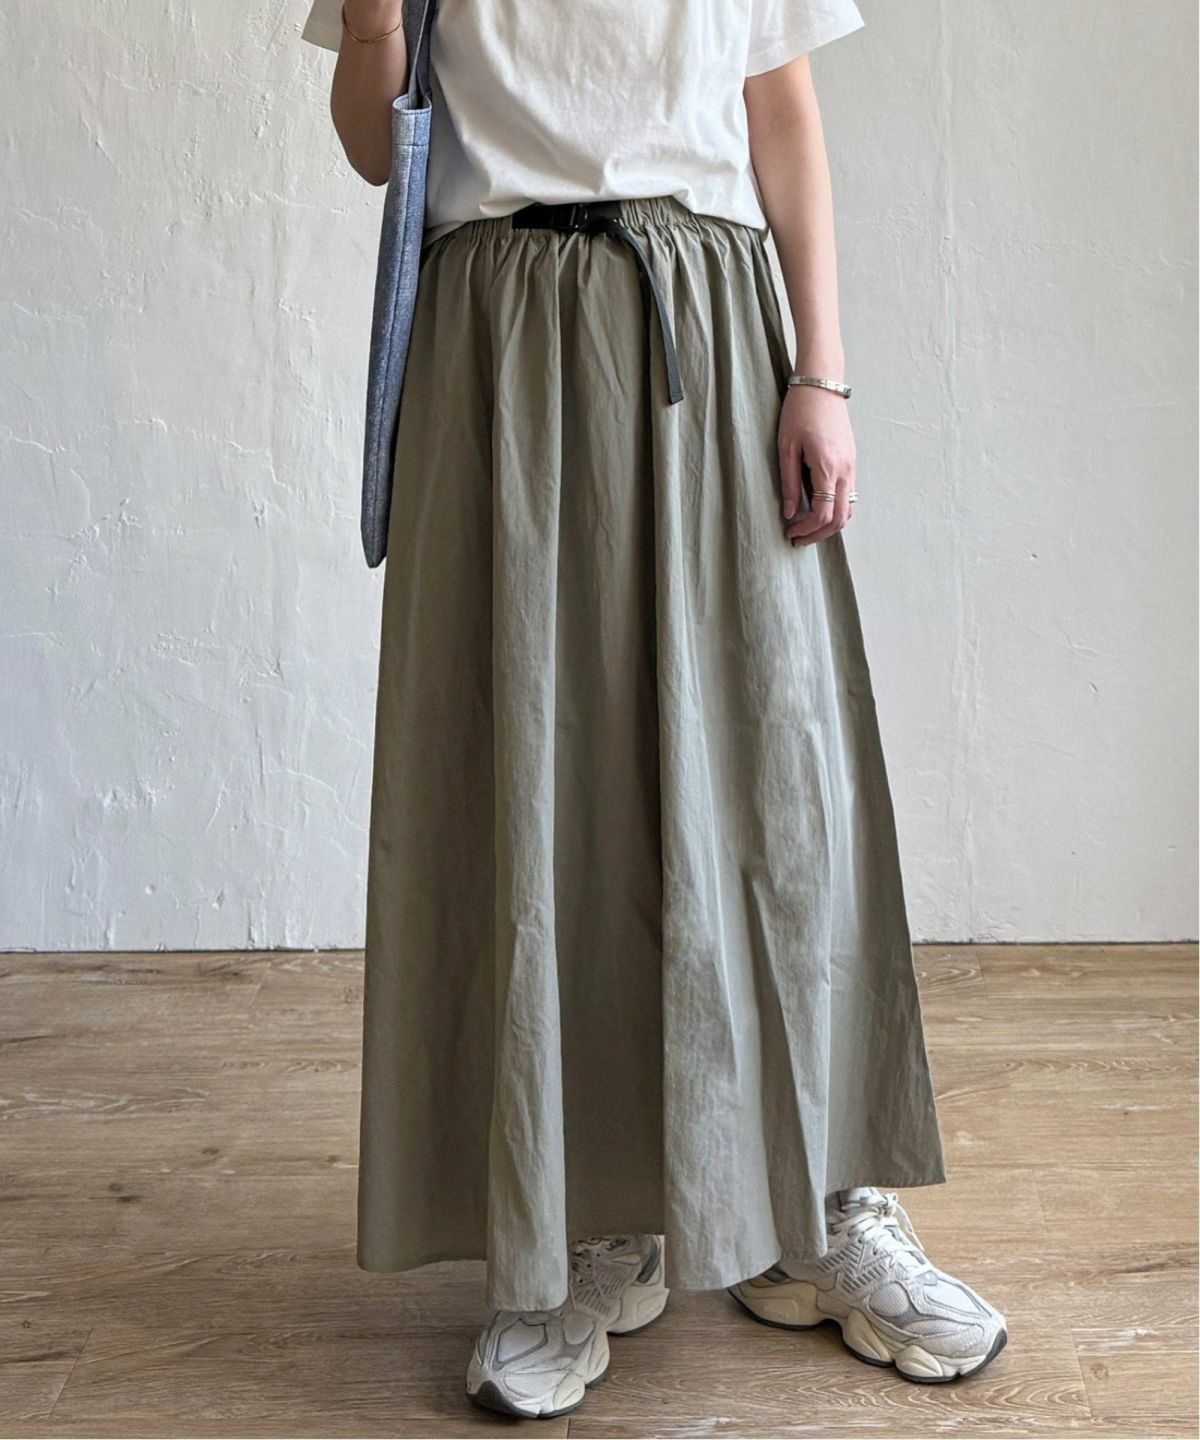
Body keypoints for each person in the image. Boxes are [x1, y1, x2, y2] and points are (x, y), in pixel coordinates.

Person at [299, 0, 1007, 1419]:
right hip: (500, 336)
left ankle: (818, 1206)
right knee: (539, 777)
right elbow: (378, 145)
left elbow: (783, 117)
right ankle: (583, 1221)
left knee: (774, 774)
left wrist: (821, 373)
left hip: (711, 319)